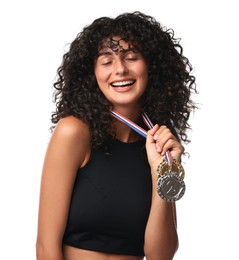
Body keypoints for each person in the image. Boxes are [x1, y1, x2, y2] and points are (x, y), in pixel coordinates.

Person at [36, 11, 197, 260]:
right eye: (107, 61)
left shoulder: (157, 143)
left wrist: (162, 171)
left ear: (151, 67)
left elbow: (160, 256)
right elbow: (46, 248)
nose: (120, 69)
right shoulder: (74, 132)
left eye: (131, 57)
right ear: (92, 74)